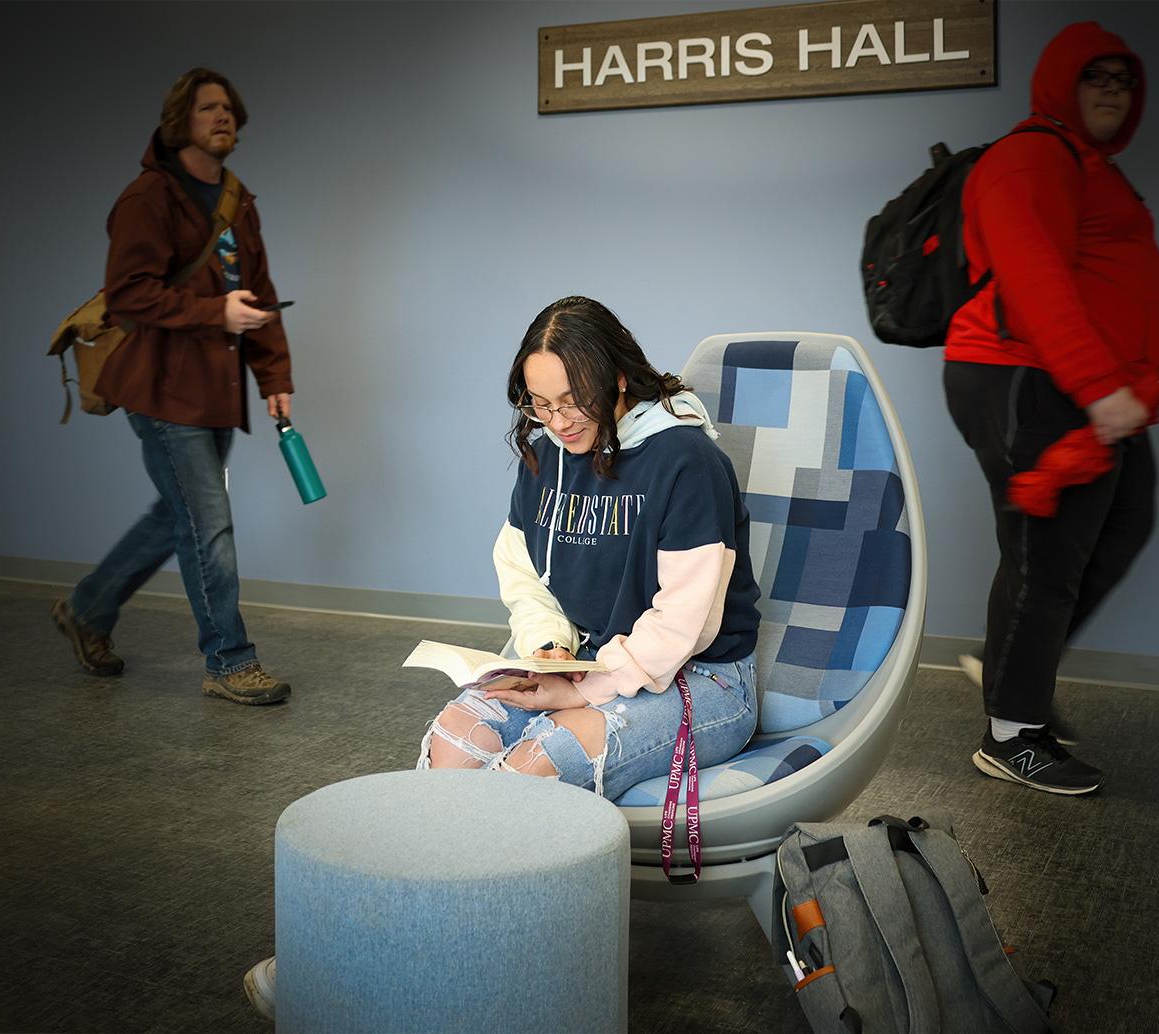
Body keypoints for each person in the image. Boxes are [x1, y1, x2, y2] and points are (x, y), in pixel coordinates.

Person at [243, 296, 762, 1018]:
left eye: (573, 400)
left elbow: (685, 623)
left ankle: (388, 975)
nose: (559, 421)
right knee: (456, 741)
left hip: (703, 681)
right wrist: (548, 648)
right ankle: (377, 961)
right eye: (540, 404)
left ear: (617, 378)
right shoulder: (546, 451)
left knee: (531, 770)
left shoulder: (686, 461)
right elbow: (524, 571)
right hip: (581, 661)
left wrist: (580, 690)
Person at [943, 23, 1159, 794]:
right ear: (1061, 83)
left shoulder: (1088, 164)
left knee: (1121, 523)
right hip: (1028, 377)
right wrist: (1100, 388)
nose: (1113, 91)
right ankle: (1011, 735)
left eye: (1124, 78)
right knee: (1047, 555)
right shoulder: (1031, 157)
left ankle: (1011, 665)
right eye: (1095, 76)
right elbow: (1034, 278)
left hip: (1078, 382)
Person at [51, 68, 297, 706]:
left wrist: (274, 376)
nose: (223, 117)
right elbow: (129, 294)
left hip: (216, 391)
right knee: (209, 523)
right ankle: (229, 661)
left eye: (228, 108)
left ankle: (87, 608)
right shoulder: (148, 197)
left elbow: (259, 296)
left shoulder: (237, 200)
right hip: (162, 390)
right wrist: (215, 313)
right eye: (207, 108)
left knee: (178, 517)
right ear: (179, 121)